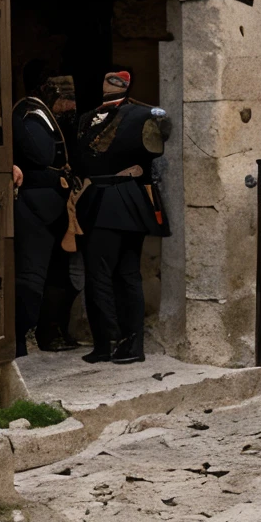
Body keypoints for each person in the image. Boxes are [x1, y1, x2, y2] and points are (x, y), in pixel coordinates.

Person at [73, 66, 171, 364]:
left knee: (99, 275)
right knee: (129, 275)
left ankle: (106, 343)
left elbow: (82, 160)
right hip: (133, 200)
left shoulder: (87, 120)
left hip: (105, 201)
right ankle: (133, 344)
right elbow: (158, 146)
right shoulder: (145, 116)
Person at [11, 60, 71, 358]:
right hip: (36, 205)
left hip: (51, 203)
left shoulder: (42, 114)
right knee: (31, 276)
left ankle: (52, 330)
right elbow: (42, 153)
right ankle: (20, 339)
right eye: (55, 85)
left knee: (56, 275)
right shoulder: (28, 113)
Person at [34, 75, 83, 352]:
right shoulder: (37, 118)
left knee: (65, 273)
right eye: (65, 98)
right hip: (50, 206)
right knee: (54, 273)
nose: (69, 105)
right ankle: (49, 333)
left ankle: (59, 329)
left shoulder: (62, 123)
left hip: (67, 201)